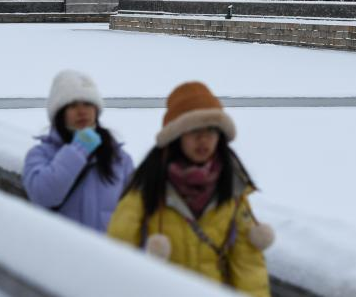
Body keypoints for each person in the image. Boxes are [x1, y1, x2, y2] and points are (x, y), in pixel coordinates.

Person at [108, 81, 273, 297]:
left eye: (211, 130)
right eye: (194, 130)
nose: (203, 139)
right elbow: (119, 253)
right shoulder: (147, 187)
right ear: (177, 136)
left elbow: (248, 265)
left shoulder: (232, 188)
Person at [23, 70, 133, 231]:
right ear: (60, 113)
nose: (82, 111)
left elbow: (135, 213)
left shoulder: (119, 159)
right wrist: (80, 148)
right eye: (73, 105)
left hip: (106, 254)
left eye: (88, 104)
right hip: (61, 253)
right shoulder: (40, 155)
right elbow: (43, 196)